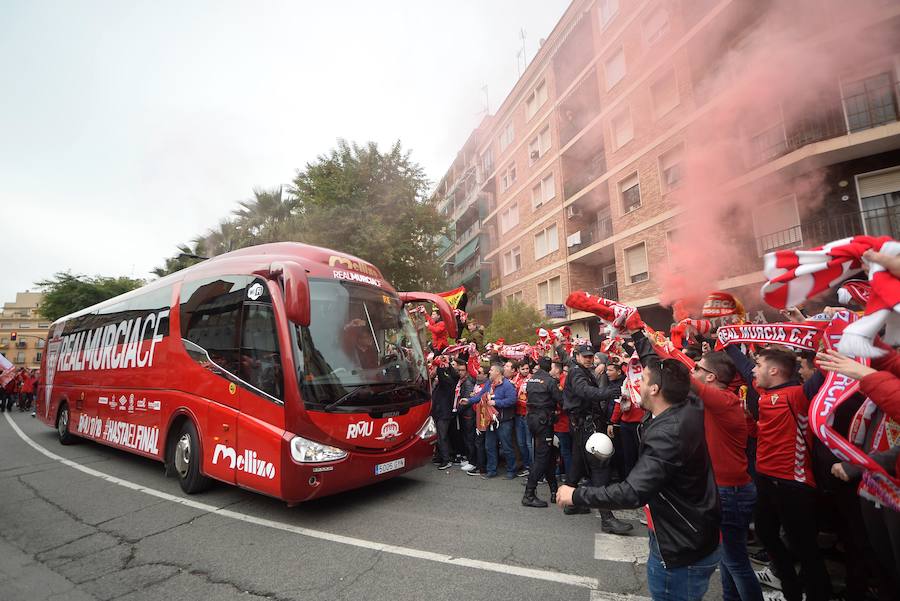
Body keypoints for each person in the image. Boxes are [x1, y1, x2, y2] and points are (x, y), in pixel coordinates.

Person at [556, 330, 722, 601]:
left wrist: (575, 494)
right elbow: (660, 370)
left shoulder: (667, 434)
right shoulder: (688, 404)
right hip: (686, 533)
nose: (637, 384)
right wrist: (639, 338)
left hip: (681, 545)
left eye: (642, 380)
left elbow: (632, 493)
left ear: (655, 389)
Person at [724, 344, 830, 601]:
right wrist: (727, 342)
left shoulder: (798, 395)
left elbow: (825, 370)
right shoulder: (762, 393)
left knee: (804, 547)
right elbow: (759, 433)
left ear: (774, 370)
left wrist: (829, 339)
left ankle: (819, 594)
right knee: (766, 534)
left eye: (759, 365)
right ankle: (791, 589)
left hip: (793, 484)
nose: (754, 370)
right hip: (765, 479)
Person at [686, 351, 762, 601]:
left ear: (710, 377)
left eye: (698, 367)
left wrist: (643, 337)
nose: (693, 371)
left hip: (730, 491)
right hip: (727, 490)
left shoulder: (722, 400)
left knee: (736, 561)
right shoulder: (721, 399)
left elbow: (682, 375)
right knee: (729, 558)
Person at [558, 342, 632, 535]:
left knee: (577, 466)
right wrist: (611, 391)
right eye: (586, 356)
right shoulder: (577, 372)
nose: (589, 359)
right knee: (600, 466)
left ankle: (573, 503)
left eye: (591, 356)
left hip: (583, 425)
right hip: (584, 425)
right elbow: (586, 392)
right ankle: (607, 518)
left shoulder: (581, 370)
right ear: (577, 356)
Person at [522, 356, 562, 508]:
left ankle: (554, 491)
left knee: (549, 455)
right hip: (544, 421)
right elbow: (561, 400)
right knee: (542, 457)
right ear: (549, 367)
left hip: (532, 420)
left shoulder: (531, 380)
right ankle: (529, 494)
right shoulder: (550, 381)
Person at [482, 364, 518, 479]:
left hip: (504, 421)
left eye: (491, 370)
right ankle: (491, 470)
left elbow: (512, 400)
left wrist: (496, 403)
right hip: (491, 421)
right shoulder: (489, 384)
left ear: (498, 372)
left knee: (507, 447)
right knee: (489, 446)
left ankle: (512, 470)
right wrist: (469, 400)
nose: (489, 372)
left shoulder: (507, 385)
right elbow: (480, 395)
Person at [430, 358, 458, 470]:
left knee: (442, 436)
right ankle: (440, 456)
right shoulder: (445, 383)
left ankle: (446, 459)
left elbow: (442, 376)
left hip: (443, 413)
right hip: (439, 412)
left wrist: (441, 365)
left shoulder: (448, 383)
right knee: (440, 436)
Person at [453, 358, 477, 472]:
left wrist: (456, 410)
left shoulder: (468, 382)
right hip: (464, 415)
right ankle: (469, 458)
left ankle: (473, 462)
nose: (460, 372)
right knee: (466, 438)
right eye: (458, 370)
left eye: (462, 370)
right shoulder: (461, 381)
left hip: (468, 415)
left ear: (467, 371)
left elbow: (466, 401)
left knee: (469, 438)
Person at [513, 361, 533, 477]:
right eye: (523, 369)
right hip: (518, 414)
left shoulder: (531, 380)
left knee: (529, 443)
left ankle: (532, 466)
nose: (525, 371)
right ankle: (526, 466)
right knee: (521, 443)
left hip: (527, 415)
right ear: (519, 370)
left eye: (527, 368)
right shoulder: (516, 380)